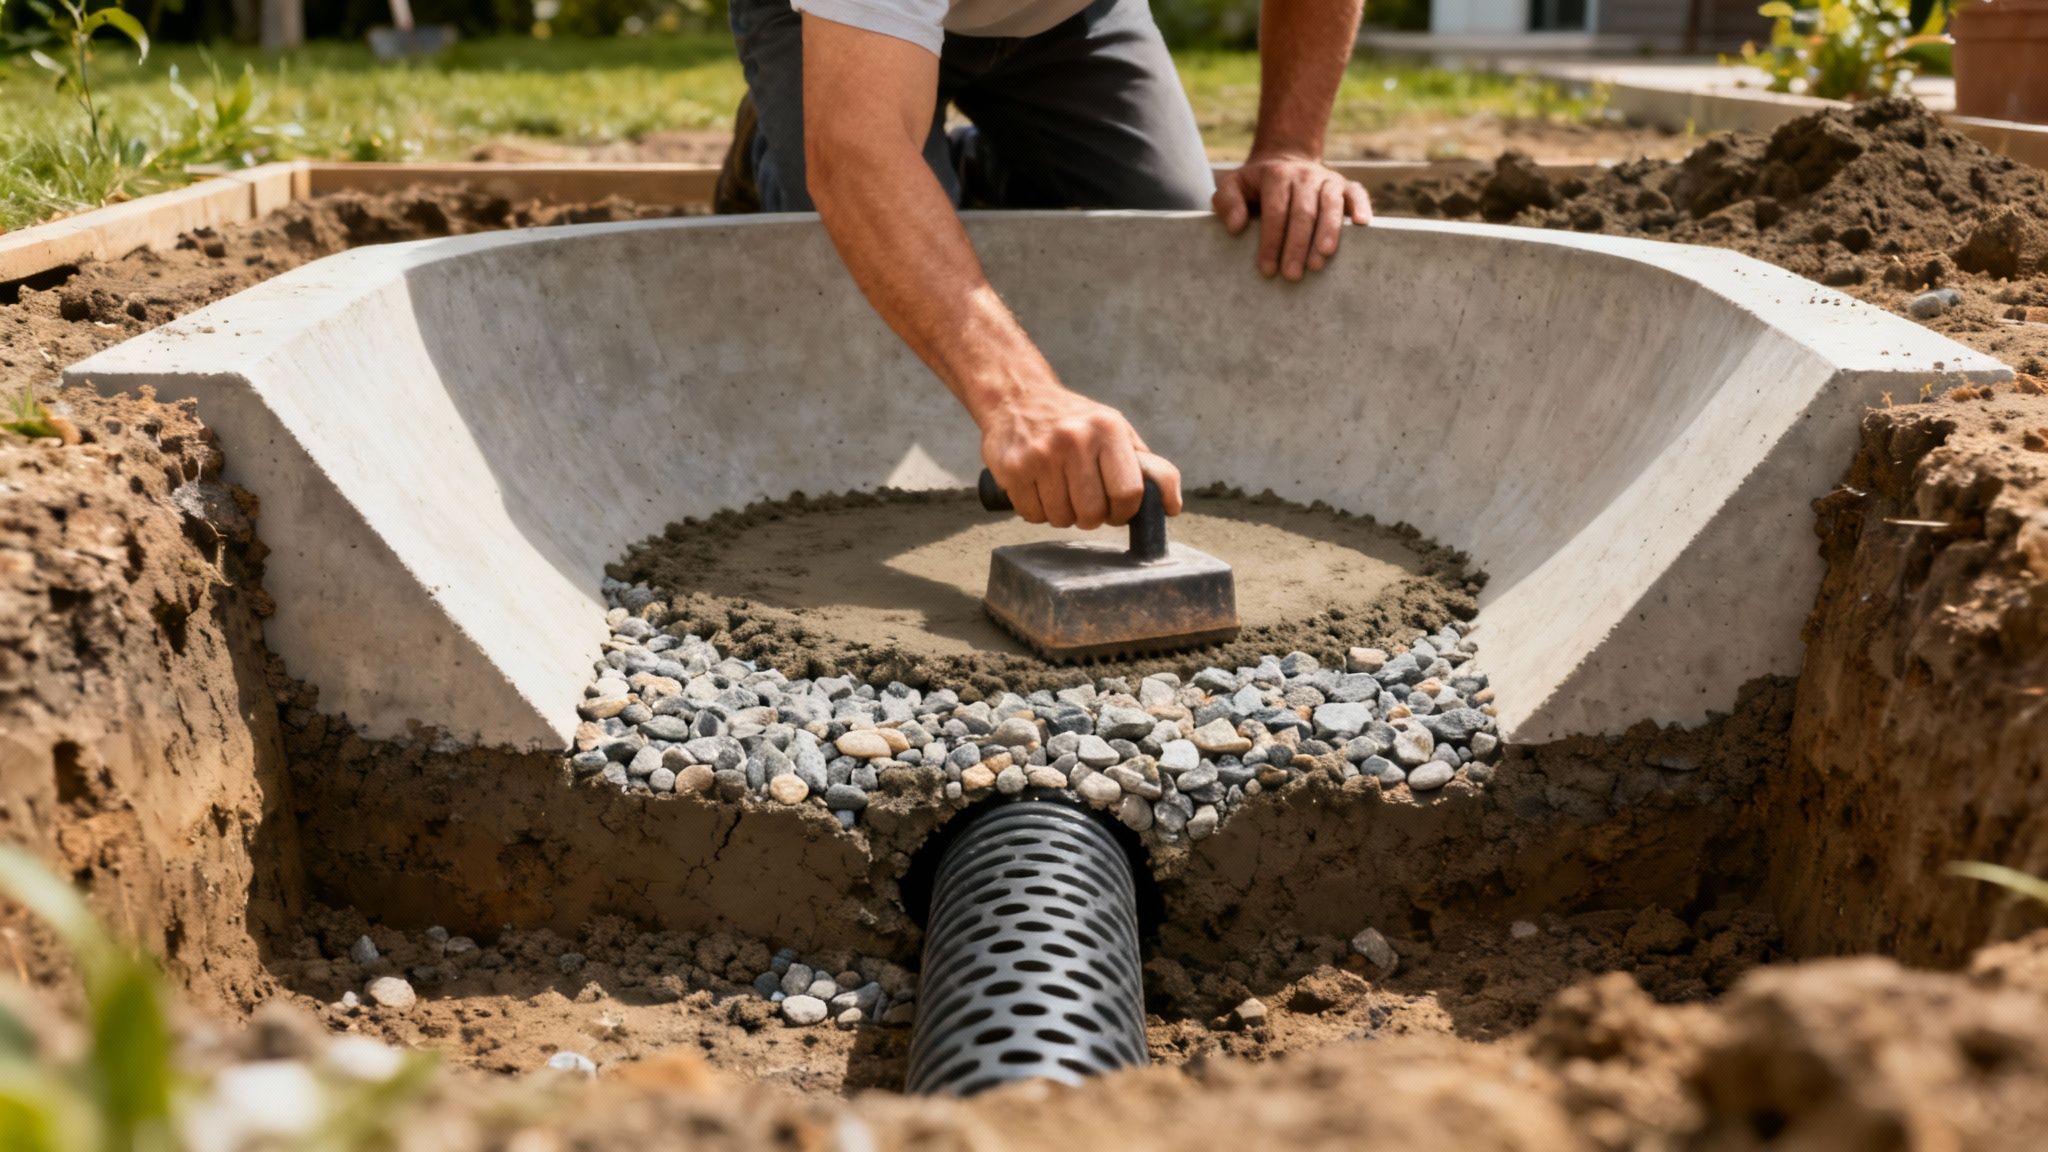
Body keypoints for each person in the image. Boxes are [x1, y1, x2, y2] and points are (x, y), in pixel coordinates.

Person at [716, 0, 1372, 531]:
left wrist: (1290, 145)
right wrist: (1019, 397)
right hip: (834, 25)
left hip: (1069, 17)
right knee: (855, 263)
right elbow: (861, 154)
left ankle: (960, 173)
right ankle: (779, 152)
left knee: (1160, 239)